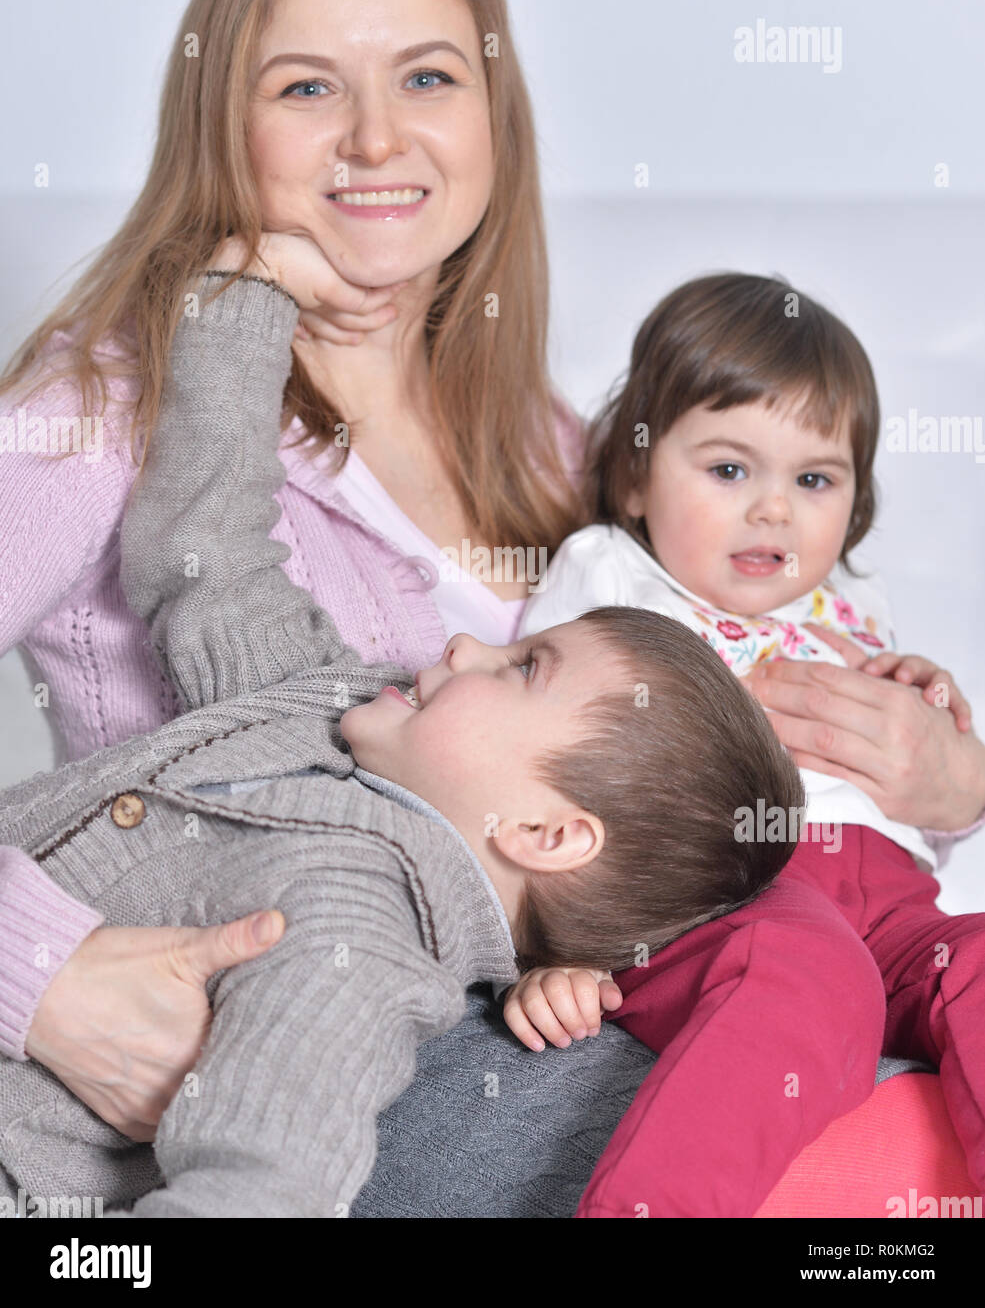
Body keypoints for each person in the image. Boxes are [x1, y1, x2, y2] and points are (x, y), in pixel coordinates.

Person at [0, 267, 803, 1217]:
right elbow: (205, 554)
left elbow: (270, 1178)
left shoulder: (357, 931)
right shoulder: (325, 704)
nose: (466, 647)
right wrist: (237, 305)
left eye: (523, 669)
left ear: (544, 834)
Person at [510, 272, 985, 1216]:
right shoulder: (608, 572)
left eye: (813, 480)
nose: (773, 509)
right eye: (729, 471)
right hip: (719, 897)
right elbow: (538, 752)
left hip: (888, 906)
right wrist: (556, 947)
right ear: (638, 476)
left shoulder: (852, 605)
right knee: (798, 976)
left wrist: (921, 704)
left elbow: (912, 800)